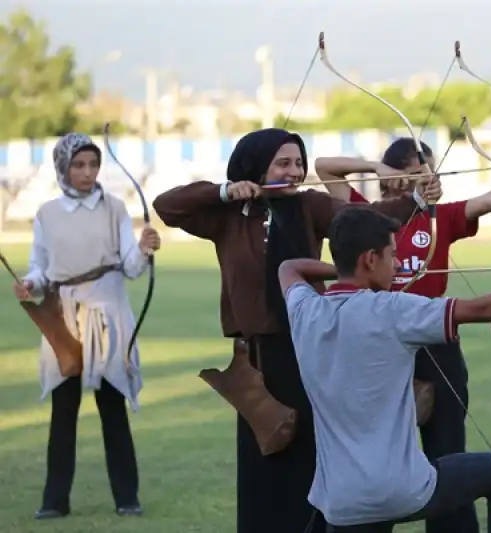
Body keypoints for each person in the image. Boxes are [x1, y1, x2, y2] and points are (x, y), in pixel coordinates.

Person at [151, 128, 441, 533]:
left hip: (311, 348)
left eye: (299, 163)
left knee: (311, 453)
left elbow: (363, 222)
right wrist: (226, 191)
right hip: (258, 360)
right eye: (283, 163)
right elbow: (167, 206)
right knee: (267, 451)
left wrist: (414, 200)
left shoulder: (309, 206)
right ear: (255, 167)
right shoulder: (228, 216)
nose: (294, 172)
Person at [277, 206, 491, 533]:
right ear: (370, 260)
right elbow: (482, 308)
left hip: (341, 502)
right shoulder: (391, 310)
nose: (399, 264)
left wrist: (345, 267)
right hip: (401, 490)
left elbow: (289, 268)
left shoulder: (305, 310)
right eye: (392, 255)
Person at [315, 137, 491, 533]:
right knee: (374, 454)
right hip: (377, 347)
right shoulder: (365, 220)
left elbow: (486, 201)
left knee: (446, 451)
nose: (429, 179)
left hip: (434, 345)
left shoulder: (440, 217)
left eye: (432, 170)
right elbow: (325, 167)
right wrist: (377, 169)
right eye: (418, 170)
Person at [11, 133, 161, 520]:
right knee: (64, 411)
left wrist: (144, 248)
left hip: (109, 317)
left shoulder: (114, 208)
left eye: (93, 164)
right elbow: (40, 268)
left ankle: (127, 498)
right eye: (78, 165)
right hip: (64, 320)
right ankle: (54, 501)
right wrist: (30, 285)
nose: (87, 172)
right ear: (63, 166)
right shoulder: (47, 213)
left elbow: (130, 266)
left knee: (113, 409)